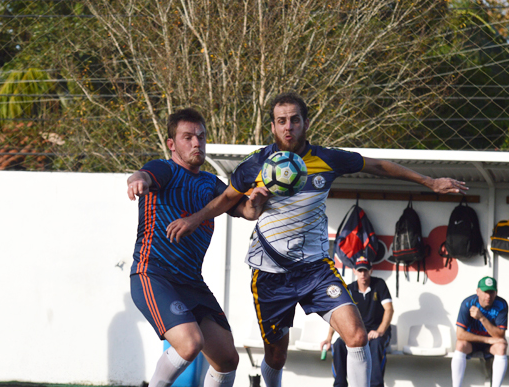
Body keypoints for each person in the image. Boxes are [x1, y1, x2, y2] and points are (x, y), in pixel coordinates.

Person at [166, 92, 467, 387]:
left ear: (305, 123)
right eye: (281, 121)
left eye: (294, 120)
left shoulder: (327, 158)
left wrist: (429, 181)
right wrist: (195, 219)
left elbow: (377, 165)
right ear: (272, 126)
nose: (288, 127)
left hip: (315, 270)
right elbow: (226, 199)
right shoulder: (256, 164)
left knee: (357, 335)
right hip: (270, 275)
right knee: (276, 355)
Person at [127, 108, 268, 387]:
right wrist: (137, 180)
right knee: (190, 344)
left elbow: (248, 211)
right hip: (153, 276)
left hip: (192, 282)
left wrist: (258, 197)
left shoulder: (209, 183)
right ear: (172, 144)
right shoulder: (164, 169)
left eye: (201, 137)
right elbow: (145, 174)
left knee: (228, 359)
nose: (196, 143)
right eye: (188, 137)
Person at [321, 257, 393, 387]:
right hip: (357, 333)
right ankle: (340, 384)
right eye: (360, 271)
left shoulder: (380, 285)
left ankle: (376, 385)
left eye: (365, 270)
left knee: (376, 345)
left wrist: (379, 331)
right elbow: (338, 315)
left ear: (371, 270)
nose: (363, 274)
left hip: (376, 333)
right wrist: (328, 338)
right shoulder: (349, 289)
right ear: (354, 271)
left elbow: (389, 310)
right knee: (338, 344)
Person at [452, 276, 508, 387]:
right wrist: (487, 339)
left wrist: (482, 317)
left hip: (490, 346)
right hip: (472, 343)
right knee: (460, 344)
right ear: (477, 291)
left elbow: (500, 335)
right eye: (485, 292)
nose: (488, 296)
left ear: (496, 293)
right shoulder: (468, 303)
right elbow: (460, 334)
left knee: (501, 346)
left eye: (491, 292)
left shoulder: (502, 304)